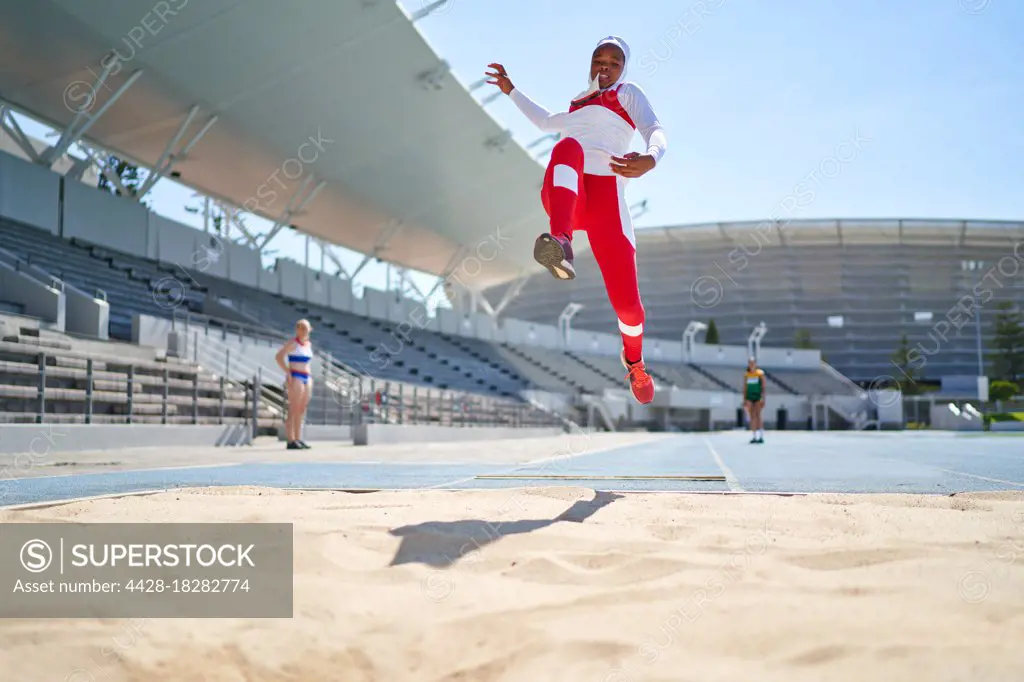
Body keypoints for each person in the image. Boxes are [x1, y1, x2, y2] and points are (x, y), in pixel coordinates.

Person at [485, 35, 666, 405]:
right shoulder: (577, 103)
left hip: (608, 204)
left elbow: (655, 130)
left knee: (628, 307)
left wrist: (651, 157)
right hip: (571, 193)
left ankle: (634, 360)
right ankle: (561, 243)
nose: (605, 66)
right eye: (599, 59)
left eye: (614, 62)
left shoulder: (627, 93)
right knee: (566, 146)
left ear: (623, 68)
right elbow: (545, 122)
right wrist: (511, 90)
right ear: (590, 64)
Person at [275, 319, 314, 450]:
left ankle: (298, 438)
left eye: (305, 328)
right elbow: (279, 356)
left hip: (306, 377)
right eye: (301, 328)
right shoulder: (292, 343)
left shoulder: (308, 344)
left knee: (302, 409)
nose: (303, 330)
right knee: (294, 408)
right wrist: (288, 372)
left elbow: (308, 362)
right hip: (295, 375)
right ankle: (290, 439)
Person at [743, 357, 766, 443]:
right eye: (750, 363)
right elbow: (745, 387)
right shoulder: (746, 375)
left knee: (758, 415)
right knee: (752, 416)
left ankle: (761, 435)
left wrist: (763, 398)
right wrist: (744, 399)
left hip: (758, 396)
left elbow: (763, 386)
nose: (751, 365)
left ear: (755, 364)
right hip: (749, 396)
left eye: (753, 363)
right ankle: (754, 436)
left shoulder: (760, 374)